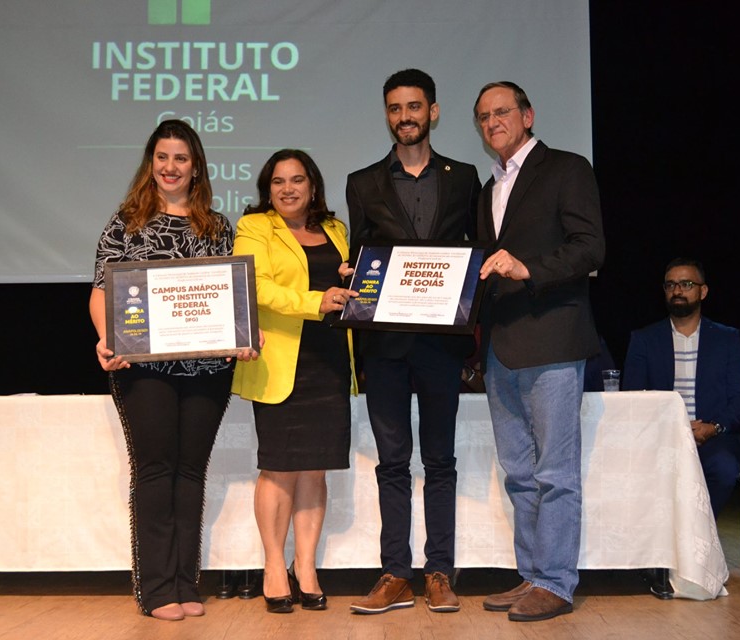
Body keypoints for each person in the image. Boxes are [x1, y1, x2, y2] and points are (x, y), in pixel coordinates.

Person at [90, 119, 258, 621]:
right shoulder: (126, 222)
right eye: (162, 157)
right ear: (150, 164)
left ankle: (187, 582)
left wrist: (242, 337)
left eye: (180, 158)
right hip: (143, 370)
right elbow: (102, 292)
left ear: (196, 166)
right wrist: (106, 339)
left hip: (207, 368)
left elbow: (229, 298)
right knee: (156, 470)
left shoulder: (218, 226)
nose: (170, 167)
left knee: (190, 472)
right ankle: (157, 589)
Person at [346, 69, 480, 615]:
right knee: (392, 463)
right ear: (387, 115)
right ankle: (395, 572)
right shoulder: (362, 182)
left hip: (442, 345)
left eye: (415, 107)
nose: (406, 116)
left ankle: (440, 572)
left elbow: (475, 255)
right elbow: (359, 259)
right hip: (384, 348)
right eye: (396, 108)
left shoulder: (466, 177)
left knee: (441, 461)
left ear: (433, 111)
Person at [473, 82, 605, 622]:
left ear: (528, 115)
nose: (492, 122)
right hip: (502, 347)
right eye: (483, 116)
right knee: (519, 472)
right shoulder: (489, 188)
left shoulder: (567, 168)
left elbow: (591, 247)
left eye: (502, 112)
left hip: (552, 339)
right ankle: (531, 574)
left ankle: (556, 581)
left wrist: (528, 269)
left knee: (555, 472)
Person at [232, 149, 358, 614]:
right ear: (268, 188)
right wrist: (315, 300)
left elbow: (344, 283)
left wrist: (351, 279)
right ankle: (272, 567)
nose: (288, 189)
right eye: (279, 181)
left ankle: (305, 567)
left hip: (329, 360)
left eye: (297, 180)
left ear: (312, 186)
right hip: (280, 362)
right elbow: (254, 286)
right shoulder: (254, 228)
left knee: (315, 467)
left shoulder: (335, 229)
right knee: (280, 467)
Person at [622, 257, 740, 517]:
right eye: (670, 285)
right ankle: (664, 541)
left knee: (724, 470)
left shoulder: (727, 339)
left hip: (712, 436)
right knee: (630, 474)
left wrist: (712, 427)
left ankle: (696, 535)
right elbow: (632, 397)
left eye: (686, 284)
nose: (678, 291)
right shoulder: (644, 340)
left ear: (703, 291)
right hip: (660, 439)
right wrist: (669, 429)